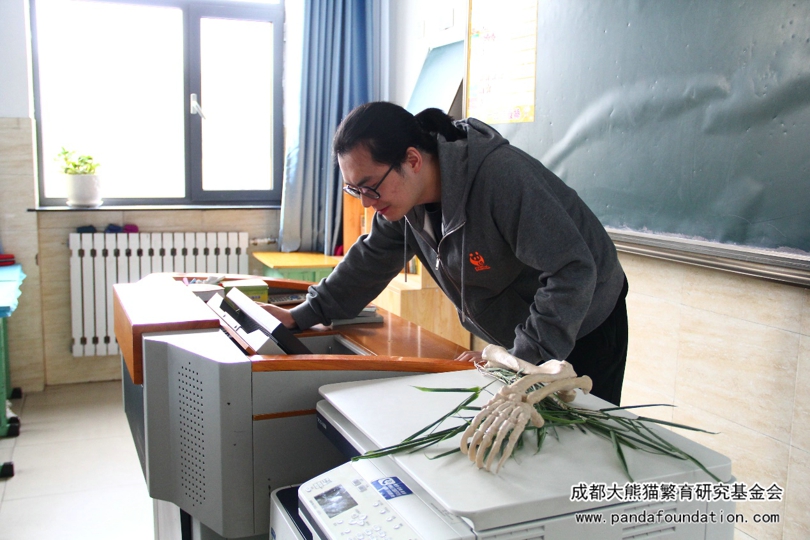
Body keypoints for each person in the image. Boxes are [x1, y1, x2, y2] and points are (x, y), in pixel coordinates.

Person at [264, 101, 629, 405]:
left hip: (586, 320)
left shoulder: (500, 178)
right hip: (531, 328)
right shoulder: (403, 203)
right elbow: (369, 261)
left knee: (584, 447)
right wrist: (302, 315)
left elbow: (572, 271)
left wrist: (515, 361)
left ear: (412, 160)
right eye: (354, 190)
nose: (366, 203)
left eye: (369, 186)